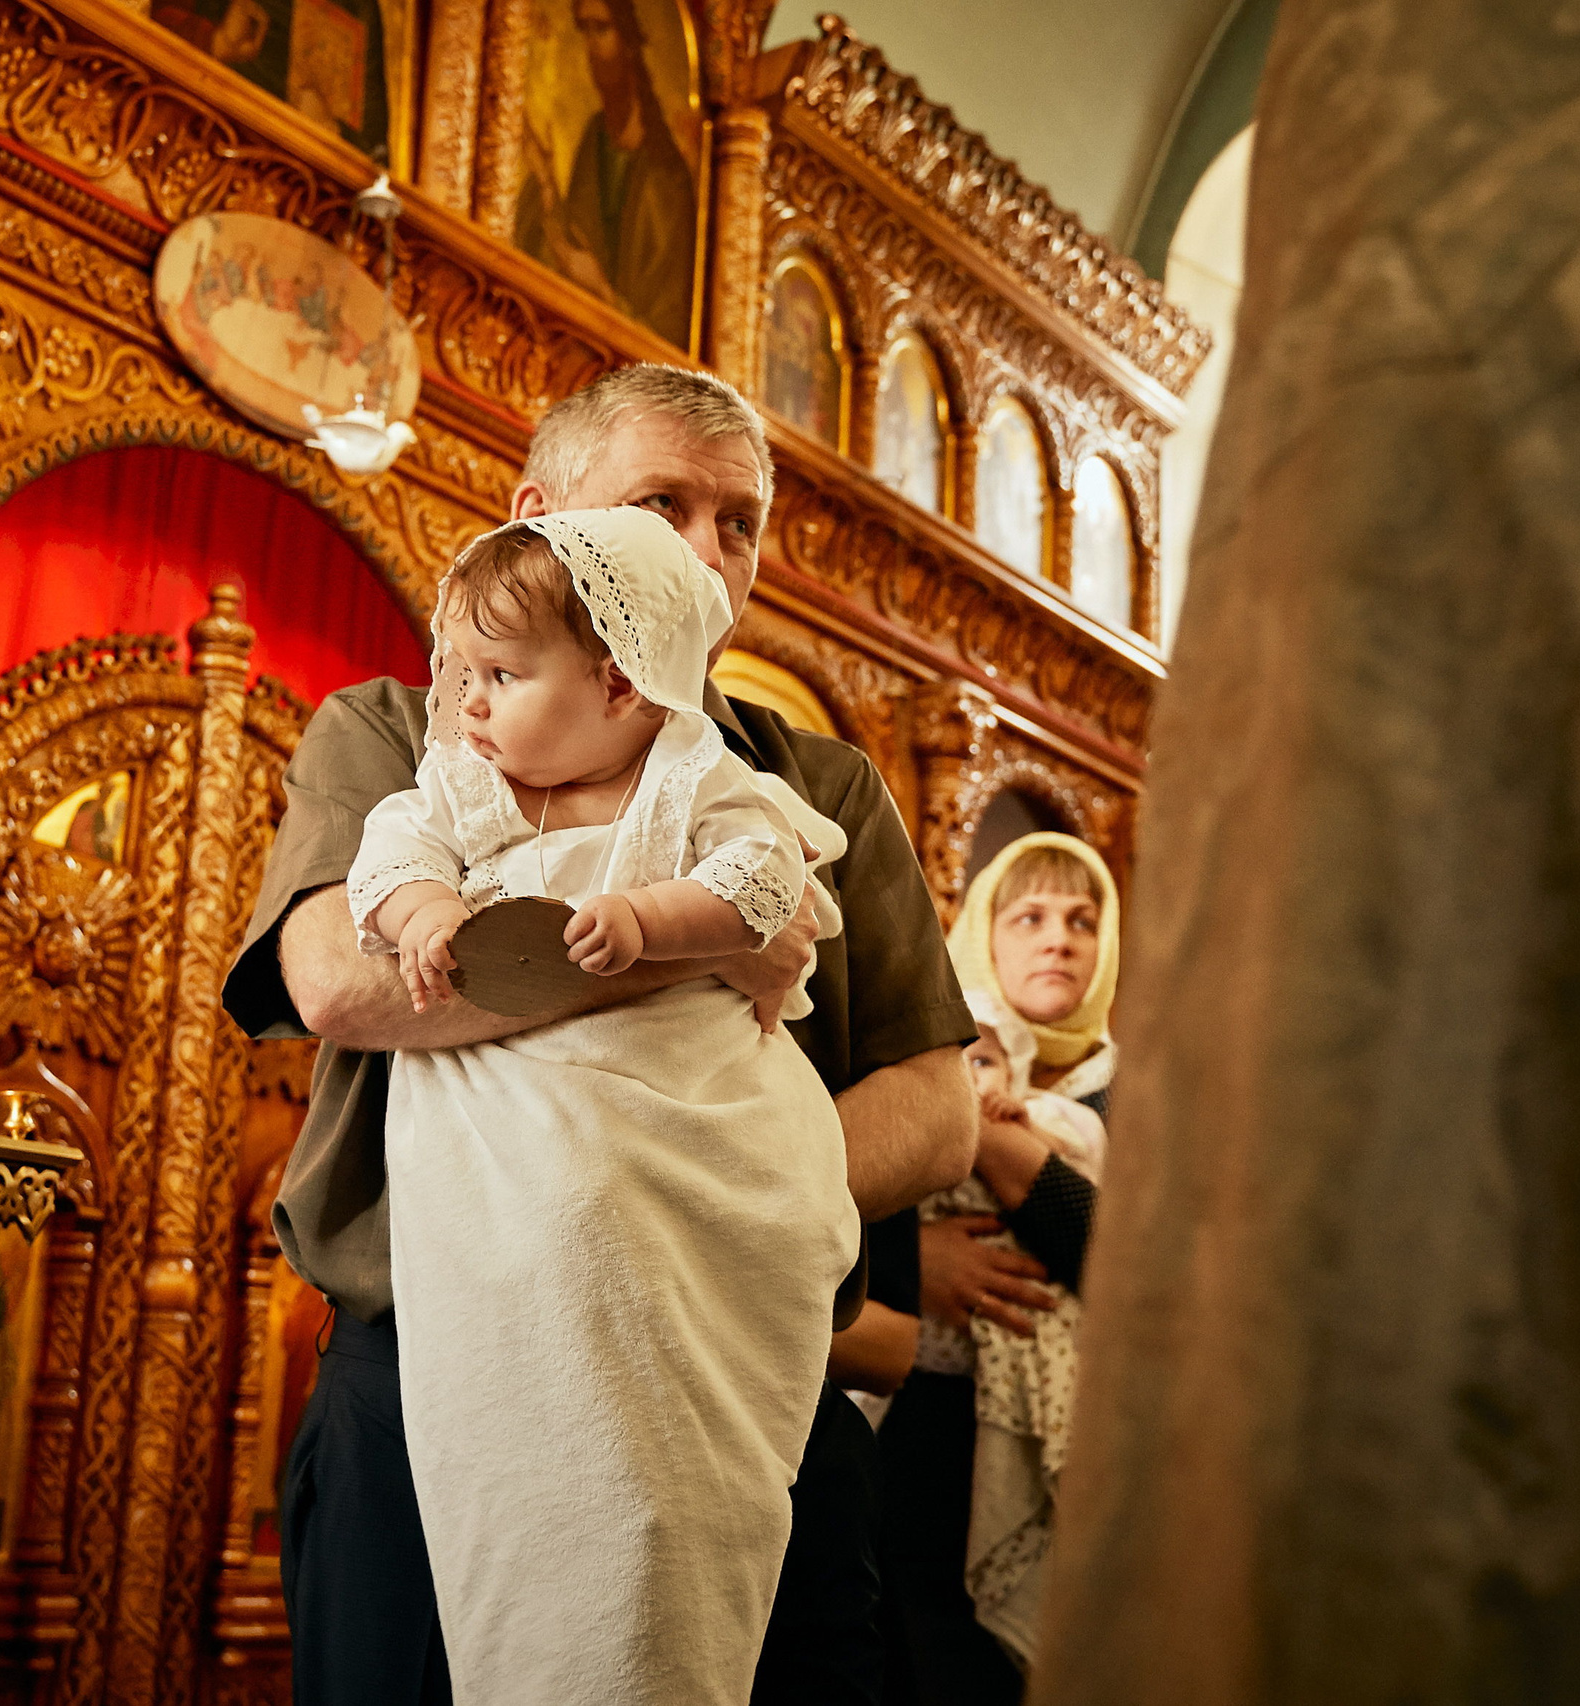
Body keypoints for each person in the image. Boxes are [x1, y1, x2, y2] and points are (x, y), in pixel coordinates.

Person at [221, 361, 980, 1706]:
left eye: (738, 520)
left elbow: (937, 1102)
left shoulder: (813, 785)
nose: (704, 546)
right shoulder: (400, 733)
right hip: (435, 1370)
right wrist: (691, 942)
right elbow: (341, 978)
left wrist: (717, 1188)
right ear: (539, 517)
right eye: (659, 503)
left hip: (739, 1360)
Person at [349, 507, 858, 1703]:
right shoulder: (464, 784)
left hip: (690, 1136)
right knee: (538, 1504)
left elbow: (761, 878)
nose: (466, 701)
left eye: (502, 675)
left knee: (667, 1503)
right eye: (461, 672)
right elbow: (387, 859)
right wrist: (428, 915)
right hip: (510, 1182)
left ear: (619, 681)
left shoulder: (692, 776)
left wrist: (646, 919)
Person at [879, 831, 1118, 1704]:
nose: (1060, 940)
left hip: (1064, 1426)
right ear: (981, 933)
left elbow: (1117, 1261)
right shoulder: (908, 1050)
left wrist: (983, 1132)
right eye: (1030, 918)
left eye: (1084, 921)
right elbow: (829, 1211)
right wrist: (912, 1262)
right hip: (913, 1417)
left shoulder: (1132, 1093)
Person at [513, 0, 696, 343]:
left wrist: (602, 290)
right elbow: (572, 243)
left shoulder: (667, 180)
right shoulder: (595, 138)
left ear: (629, 42)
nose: (590, 47)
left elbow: (666, 336)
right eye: (584, 30)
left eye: (602, 29)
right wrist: (545, 182)